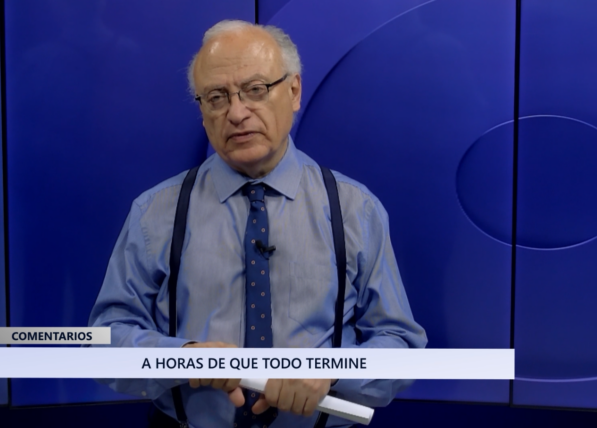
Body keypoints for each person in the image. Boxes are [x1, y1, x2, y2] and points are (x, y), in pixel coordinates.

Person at [88, 19, 427, 428]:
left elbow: (401, 344)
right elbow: (104, 340)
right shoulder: (154, 212)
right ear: (202, 111)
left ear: (294, 91)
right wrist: (181, 357)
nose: (236, 113)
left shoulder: (356, 209)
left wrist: (331, 369)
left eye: (255, 90)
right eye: (216, 97)